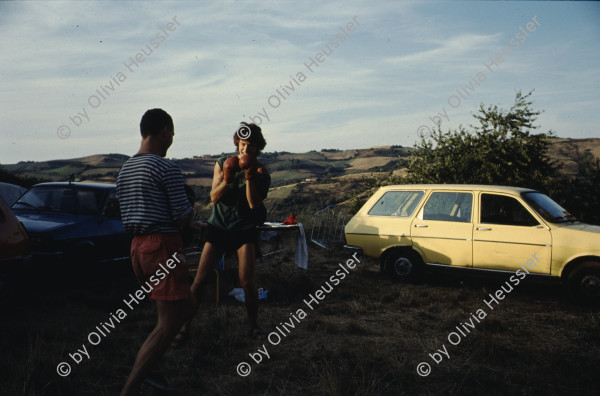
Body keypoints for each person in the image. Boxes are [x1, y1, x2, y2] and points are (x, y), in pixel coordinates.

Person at [116, 108, 197, 396]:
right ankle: (132, 387)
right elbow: (182, 217)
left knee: (187, 305)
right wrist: (193, 206)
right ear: (164, 131)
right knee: (168, 323)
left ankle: (151, 368)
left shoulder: (125, 169)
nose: (172, 138)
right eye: (172, 133)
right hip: (163, 246)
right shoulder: (165, 168)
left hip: (138, 248)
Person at [176, 122, 270, 343]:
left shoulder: (261, 172)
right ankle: (183, 326)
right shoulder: (221, 164)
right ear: (238, 143)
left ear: (257, 148)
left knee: (247, 281)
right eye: (242, 144)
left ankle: (254, 326)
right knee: (200, 279)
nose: (244, 150)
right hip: (218, 227)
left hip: (244, 230)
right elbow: (214, 197)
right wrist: (228, 178)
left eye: (250, 146)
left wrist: (248, 176)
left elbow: (253, 203)